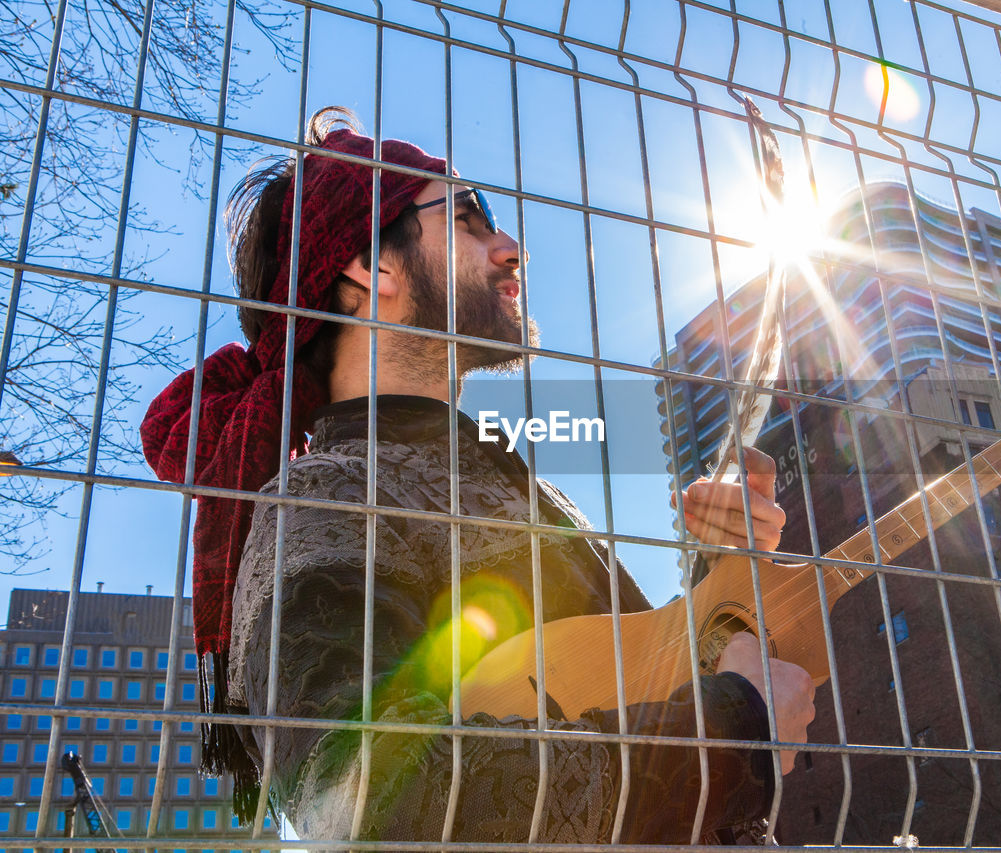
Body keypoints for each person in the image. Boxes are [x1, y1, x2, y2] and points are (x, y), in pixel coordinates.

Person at [141, 106, 814, 846]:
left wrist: (724, 575)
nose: (512, 247)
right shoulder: (322, 496)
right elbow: (356, 801)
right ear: (374, 266)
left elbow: (630, 692)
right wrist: (731, 729)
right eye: (467, 218)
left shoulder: (514, 482)